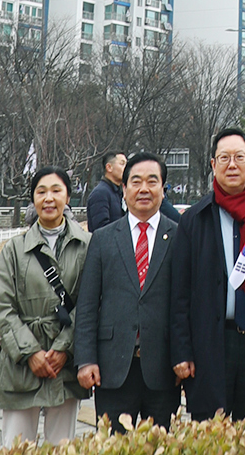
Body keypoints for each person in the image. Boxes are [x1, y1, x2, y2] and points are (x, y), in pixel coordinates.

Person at [170, 128, 245, 420]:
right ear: (212, 164)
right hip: (210, 344)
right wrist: (182, 352)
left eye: (240, 157)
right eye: (224, 158)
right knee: (210, 435)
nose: (232, 164)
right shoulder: (195, 219)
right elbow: (179, 292)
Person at [0, 164, 89, 444]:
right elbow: (3, 309)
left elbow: (91, 303)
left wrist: (63, 348)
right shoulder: (14, 249)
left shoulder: (87, 245)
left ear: (68, 197)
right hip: (21, 366)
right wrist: (31, 353)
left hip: (64, 366)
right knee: (16, 452)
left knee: (61, 452)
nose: (49, 198)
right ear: (33, 199)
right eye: (41, 192)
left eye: (57, 190)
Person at [76, 151, 180, 432]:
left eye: (152, 181)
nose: (143, 189)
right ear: (124, 188)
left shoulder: (180, 236)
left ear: (163, 188)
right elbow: (86, 305)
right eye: (135, 182)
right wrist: (85, 360)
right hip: (113, 369)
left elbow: (187, 304)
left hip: (163, 370)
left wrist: (184, 355)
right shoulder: (103, 238)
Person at [86, 153, 127, 231]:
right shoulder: (100, 193)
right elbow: (101, 229)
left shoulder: (118, 192)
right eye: (122, 164)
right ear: (109, 167)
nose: (126, 168)